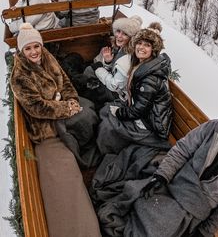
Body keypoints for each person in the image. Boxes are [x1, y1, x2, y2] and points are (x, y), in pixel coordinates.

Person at [10, 22, 101, 237]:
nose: (34, 52)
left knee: (90, 113)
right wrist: (65, 107)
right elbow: (36, 107)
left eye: (36, 46)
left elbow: (66, 81)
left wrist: (71, 99)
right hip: (45, 127)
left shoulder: (47, 58)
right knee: (67, 178)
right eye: (28, 48)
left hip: (62, 109)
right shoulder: (20, 75)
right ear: (22, 51)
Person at [134, 106, 218, 237]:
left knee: (161, 227)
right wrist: (162, 175)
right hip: (179, 181)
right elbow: (183, 149)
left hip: (197, 205)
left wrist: (205, 231)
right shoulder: (213, 127)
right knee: (140, 198)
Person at [96, 22, 173, 155]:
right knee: (106, 110)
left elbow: (139, 111)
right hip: (142, 112)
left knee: (108, 125)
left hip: (150, 124)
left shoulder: (151, 78)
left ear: (154, 50)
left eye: (147, 45)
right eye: (140, 43)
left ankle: (106, 152)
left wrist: (119, 112)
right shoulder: (140, 63)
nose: (141, 47)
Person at [81, 15, 143, 109]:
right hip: (114, 87)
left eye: (125, 34)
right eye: (118, 31)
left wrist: (98, 68)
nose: (119, 36)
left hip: (119, 96)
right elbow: (114, 71)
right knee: (89, 70)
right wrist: (108, 62)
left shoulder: (129, 57)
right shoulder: (122, 48)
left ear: (132, 38)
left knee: (89, 72)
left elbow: (115, 86)